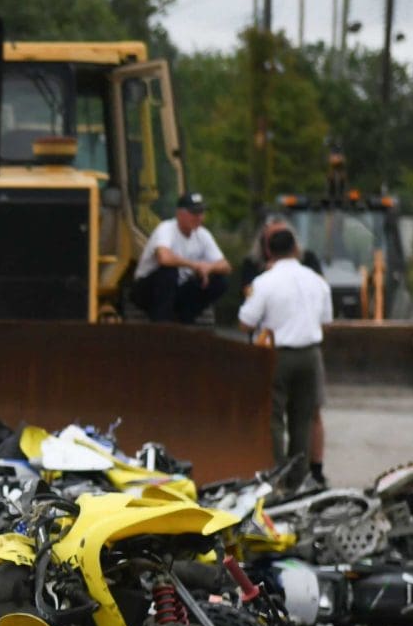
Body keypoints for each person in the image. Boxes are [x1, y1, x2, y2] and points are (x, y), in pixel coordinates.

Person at [239, 225, 333, 469]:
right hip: (310, 354)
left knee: (274, 416)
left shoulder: (264, 283)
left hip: (277, 355)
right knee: (302, 419)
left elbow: (245, 323)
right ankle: (297, 477)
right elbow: (326, 320)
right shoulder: (317, 281)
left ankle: (275, 471)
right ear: (296, 249)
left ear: (268, 251)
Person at [135, 193, 230, 322]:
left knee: (220, 281)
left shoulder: (203, 234)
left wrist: (209, 267)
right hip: (149, 290)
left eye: (201, 213)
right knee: (169, 272)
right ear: (180, 214)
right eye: (194, 213)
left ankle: (186, 318)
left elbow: (225, 266)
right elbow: (164, 258)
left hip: (178, 289)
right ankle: (161, 323)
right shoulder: (166, 228)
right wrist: (195, 265)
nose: (199, 218)